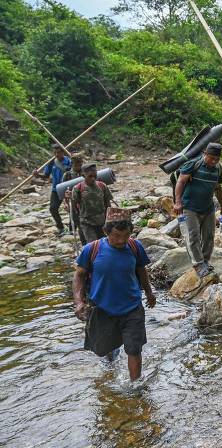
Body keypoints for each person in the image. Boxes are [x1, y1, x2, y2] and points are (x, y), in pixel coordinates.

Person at [72, 208, 156, 381]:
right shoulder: (91, 250)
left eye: (126, 236)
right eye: (117, 236)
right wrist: (79, 302)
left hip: (132, 307)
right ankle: (109, 373)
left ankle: (135, 387)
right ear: (105, 231)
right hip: (102, 310)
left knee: (134, 349)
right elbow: (79, 276)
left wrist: (149, 292)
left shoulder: (134, 246)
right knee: (106, 351)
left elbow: (141, 271)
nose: (121, 240)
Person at [173, 142, 222, 278]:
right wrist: (178, 202)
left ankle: (205, 261)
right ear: (205, 154)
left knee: (209, 236)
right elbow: (180, 181)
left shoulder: (218, 169)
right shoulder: (193, 164)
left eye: (217, 159)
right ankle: (198, 264)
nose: (214, 161)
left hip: (208, 207)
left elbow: (217, 188)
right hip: (189, 208)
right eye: (211, 158)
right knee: (193, 236)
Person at [70, 162, 114, 243]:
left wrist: (109, 220)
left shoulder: (102, 186)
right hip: (87, 223)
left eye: (95, 176)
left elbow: (108, 204)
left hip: (102, 222)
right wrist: (77, 223)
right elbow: (73, 208)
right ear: (83, 175)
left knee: (104, 244)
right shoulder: (78, 189)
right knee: (93, 244)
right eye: (90, 176)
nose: (93, 178)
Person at [36, 144, 71, 236]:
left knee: (73, 209)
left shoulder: (70, 161)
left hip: (69, 188)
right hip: (56, 189)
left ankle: (72, 229)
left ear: (63, 152)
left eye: (58, 152)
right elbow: (46, 176)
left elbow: (78, 170)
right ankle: (60, 227)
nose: (56, 155)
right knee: (53, 208)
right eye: (55, 153)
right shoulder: (51, 162)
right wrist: (37, 175)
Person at [63, 153, 86, 244]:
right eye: (77, 164)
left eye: (80, 164)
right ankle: (84, 243)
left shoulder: (85, 173)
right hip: (73, 203)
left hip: (85, 202)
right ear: (72, 164)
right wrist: (66, 203)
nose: (79, 166)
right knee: (80, 225)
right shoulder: (67, 175)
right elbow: (64, 191)